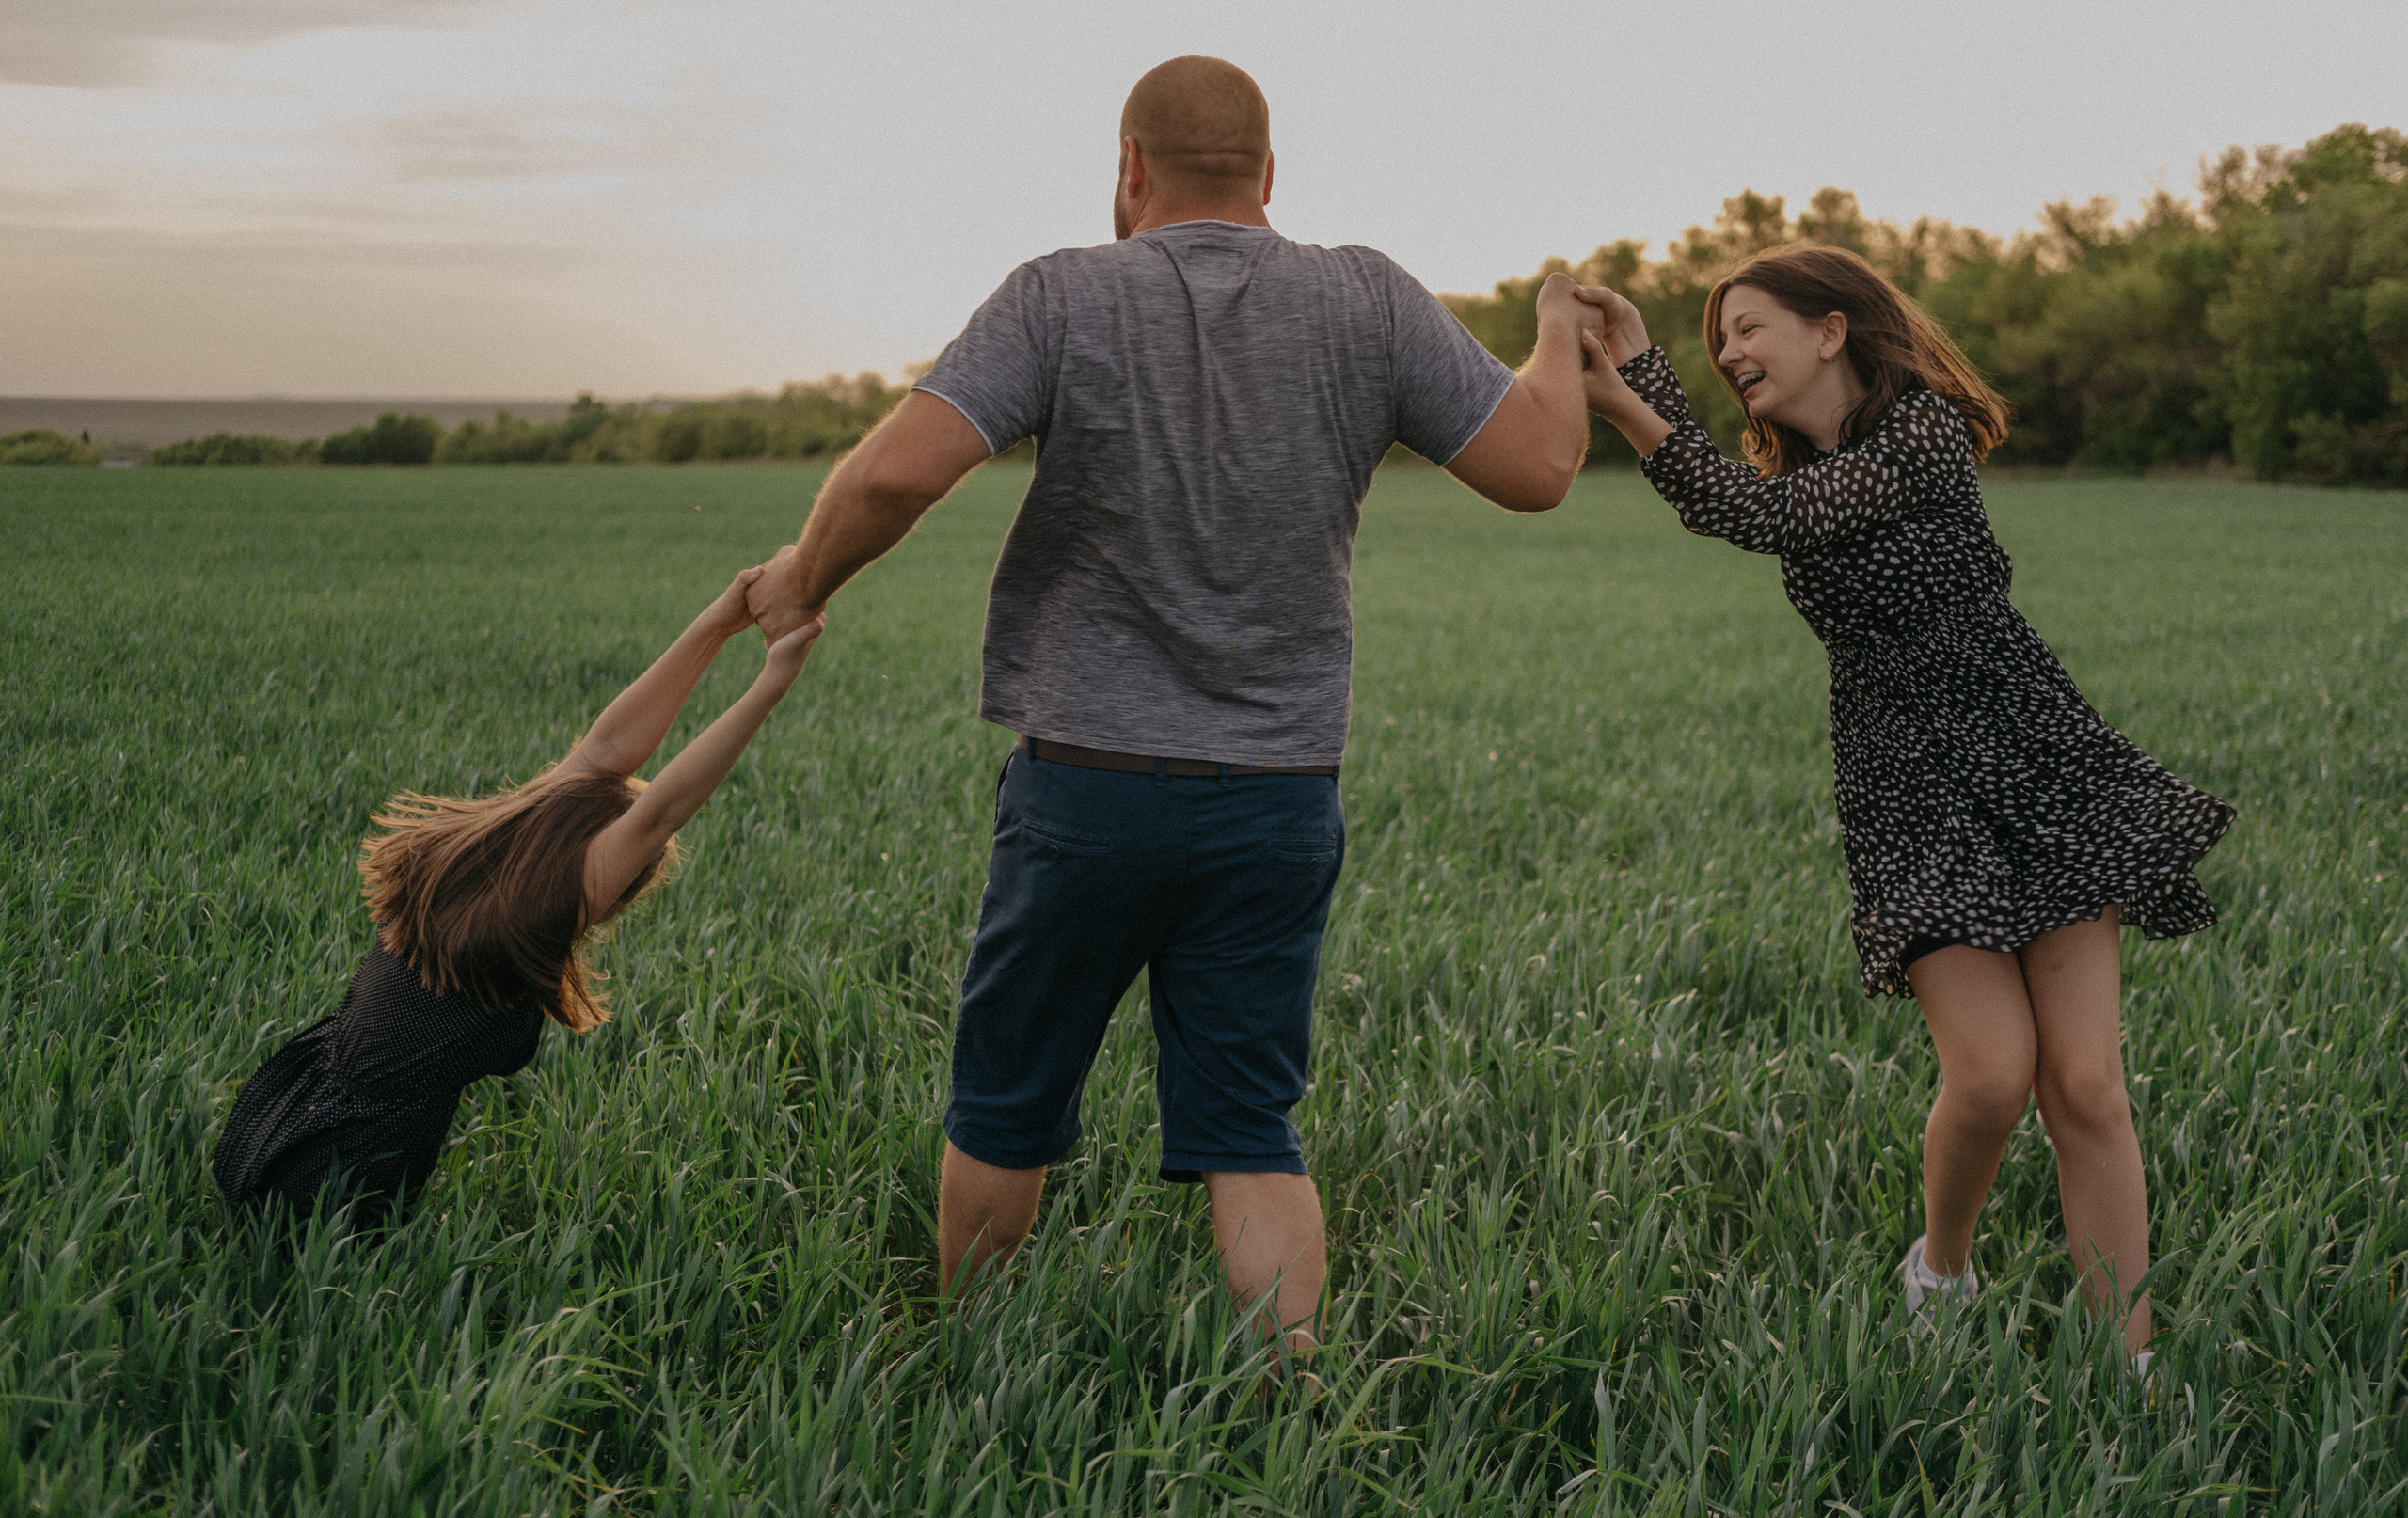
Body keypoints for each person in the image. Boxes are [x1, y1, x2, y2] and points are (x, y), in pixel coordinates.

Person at [745, 55, 1601, 1352]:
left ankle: (967, 1367)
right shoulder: (1368, 295)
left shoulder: (1062, 292)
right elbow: (1541, 464)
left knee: (1006, 1100)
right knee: (1251, 1122)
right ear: (1268, 173)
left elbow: (893, 477)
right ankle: (1292, 1404)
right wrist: (1552, 323)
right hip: (1275, 796)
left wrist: (803, 578)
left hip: (1085, 785)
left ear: (1128, 171)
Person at [1574, 247, 2233, 1363]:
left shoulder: (1919, 433)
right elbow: (1741, 504)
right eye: (1715, 337)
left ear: (1829, 330)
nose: (1729, 352)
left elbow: (1752, 515)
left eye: (1747, 327)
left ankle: (2131, 1374)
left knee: (2084, 1084)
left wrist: (1632, 393)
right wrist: (1632, 372)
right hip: (1905, 787)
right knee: (1986, 1076)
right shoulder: (1796, 475)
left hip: (2030, 756)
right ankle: (1941, 1269)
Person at [212, 571, 822, 1218]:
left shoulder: (480, 872)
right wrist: (770, 684)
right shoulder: (527, 921)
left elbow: (602, 753)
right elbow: (658, 813)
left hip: (272, 1122)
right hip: (329, 1179)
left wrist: (717, 623)